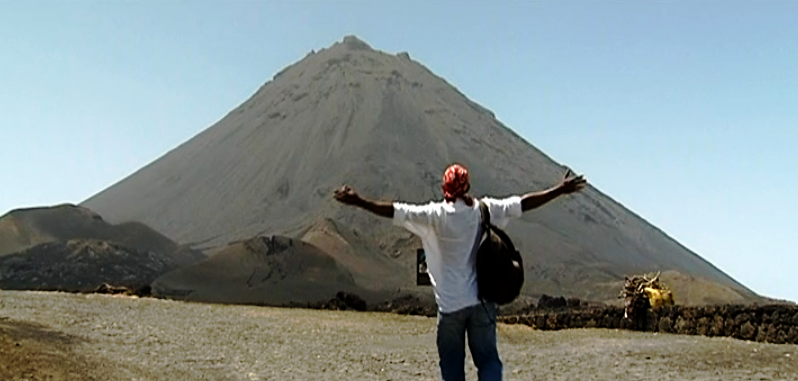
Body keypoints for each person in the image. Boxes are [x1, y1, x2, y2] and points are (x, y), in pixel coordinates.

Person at [333, 163, 586, 381]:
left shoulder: (434, 215)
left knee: (452, 369)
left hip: (450, 308)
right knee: (488, 361)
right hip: (481, 303)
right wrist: (559, 190)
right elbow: (521, 204)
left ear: (445, 187)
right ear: (467, 185)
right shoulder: (484, 210)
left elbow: (395, 210)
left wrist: (358, 201)